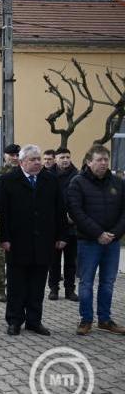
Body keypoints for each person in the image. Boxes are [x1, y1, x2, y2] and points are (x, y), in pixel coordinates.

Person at [0, 144, 66, 336]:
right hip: (17, 242)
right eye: (33, 160)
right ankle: (14, 320)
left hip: (44, 241)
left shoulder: (50, 180)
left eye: (38, 159)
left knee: (37, 284)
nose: (37, 163)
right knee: (16, 285)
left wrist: (61, 235)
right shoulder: (8, 180)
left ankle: (34, 321)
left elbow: (60, 209)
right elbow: (1, 212)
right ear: (21, 162)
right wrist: (4, 238)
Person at [67, 144, 125, 335]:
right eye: (99, 160)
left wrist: (114, 234)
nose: (103, 163)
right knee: (86, 282)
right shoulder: (78, 182)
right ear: (89, 162)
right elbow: (76, 212)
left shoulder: (118, 182)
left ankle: (105, 319)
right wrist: (98, 234)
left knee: (108, 282)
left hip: (112, 243)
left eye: (106, 159)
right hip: (88, 242)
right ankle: (86, 320)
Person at [0, 143, 20, 303]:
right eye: (11, 155)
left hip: (18, 224)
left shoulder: (24, 175)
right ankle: (0, 289)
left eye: (17, 155)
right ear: (4, 156)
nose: (15, 158)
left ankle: (14, 287)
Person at [49, 147, 79, 301]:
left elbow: (81, 200)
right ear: (56, 159)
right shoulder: (48, 175)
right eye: (62, 157)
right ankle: (53, 289)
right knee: (54, 260)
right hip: (54, 225)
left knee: (70, 260)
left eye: (68, 157)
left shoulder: (78, 175)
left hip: (72, 225)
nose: (65, 160)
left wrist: (74, 216)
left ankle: (70, 290)